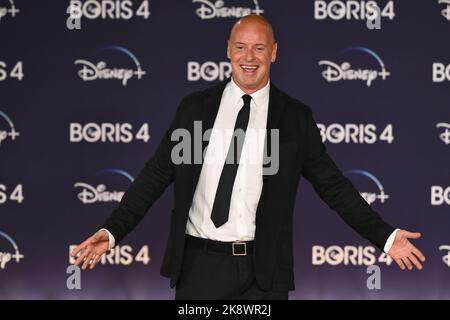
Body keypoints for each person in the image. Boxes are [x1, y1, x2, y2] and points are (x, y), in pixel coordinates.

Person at [71, 15, 426, 300]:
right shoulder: (196, 111)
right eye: (241, 47)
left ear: (274, 52)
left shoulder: (293, 119)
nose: (249, 57)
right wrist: (112, 231)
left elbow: (335, 188)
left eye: (259, 48)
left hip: (263, 274)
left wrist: (385, 236)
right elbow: (154, 177)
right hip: (199, 269)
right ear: (228, 50)